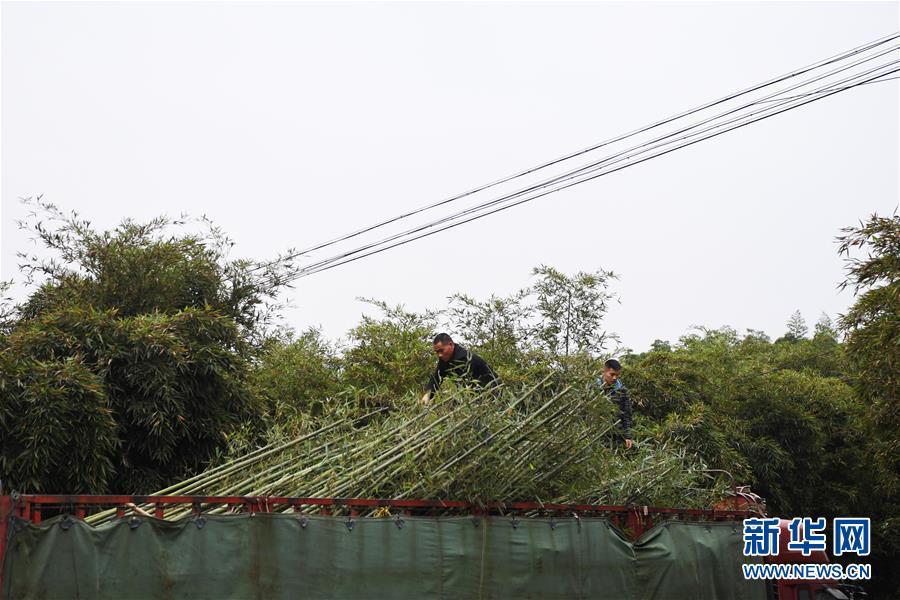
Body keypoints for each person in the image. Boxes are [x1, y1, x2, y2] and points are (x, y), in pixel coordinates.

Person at [421, 333, 499, 403]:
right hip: (475, 396)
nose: (439, 355)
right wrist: (428, 395)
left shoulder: (464, 357)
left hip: (492, 394)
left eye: (441, 350)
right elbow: (437, 378)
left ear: (451, 344)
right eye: (437, 352)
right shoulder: (444, 359)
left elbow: (469, 386)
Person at [599, 358, 633, 449]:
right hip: (596, 435)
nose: (615, 378)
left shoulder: (622, 391)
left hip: (615, 436)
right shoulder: (593, 388)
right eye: (612, 374)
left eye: (617, 375)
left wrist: (627, 436)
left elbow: (626, 414)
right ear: (604, 372)